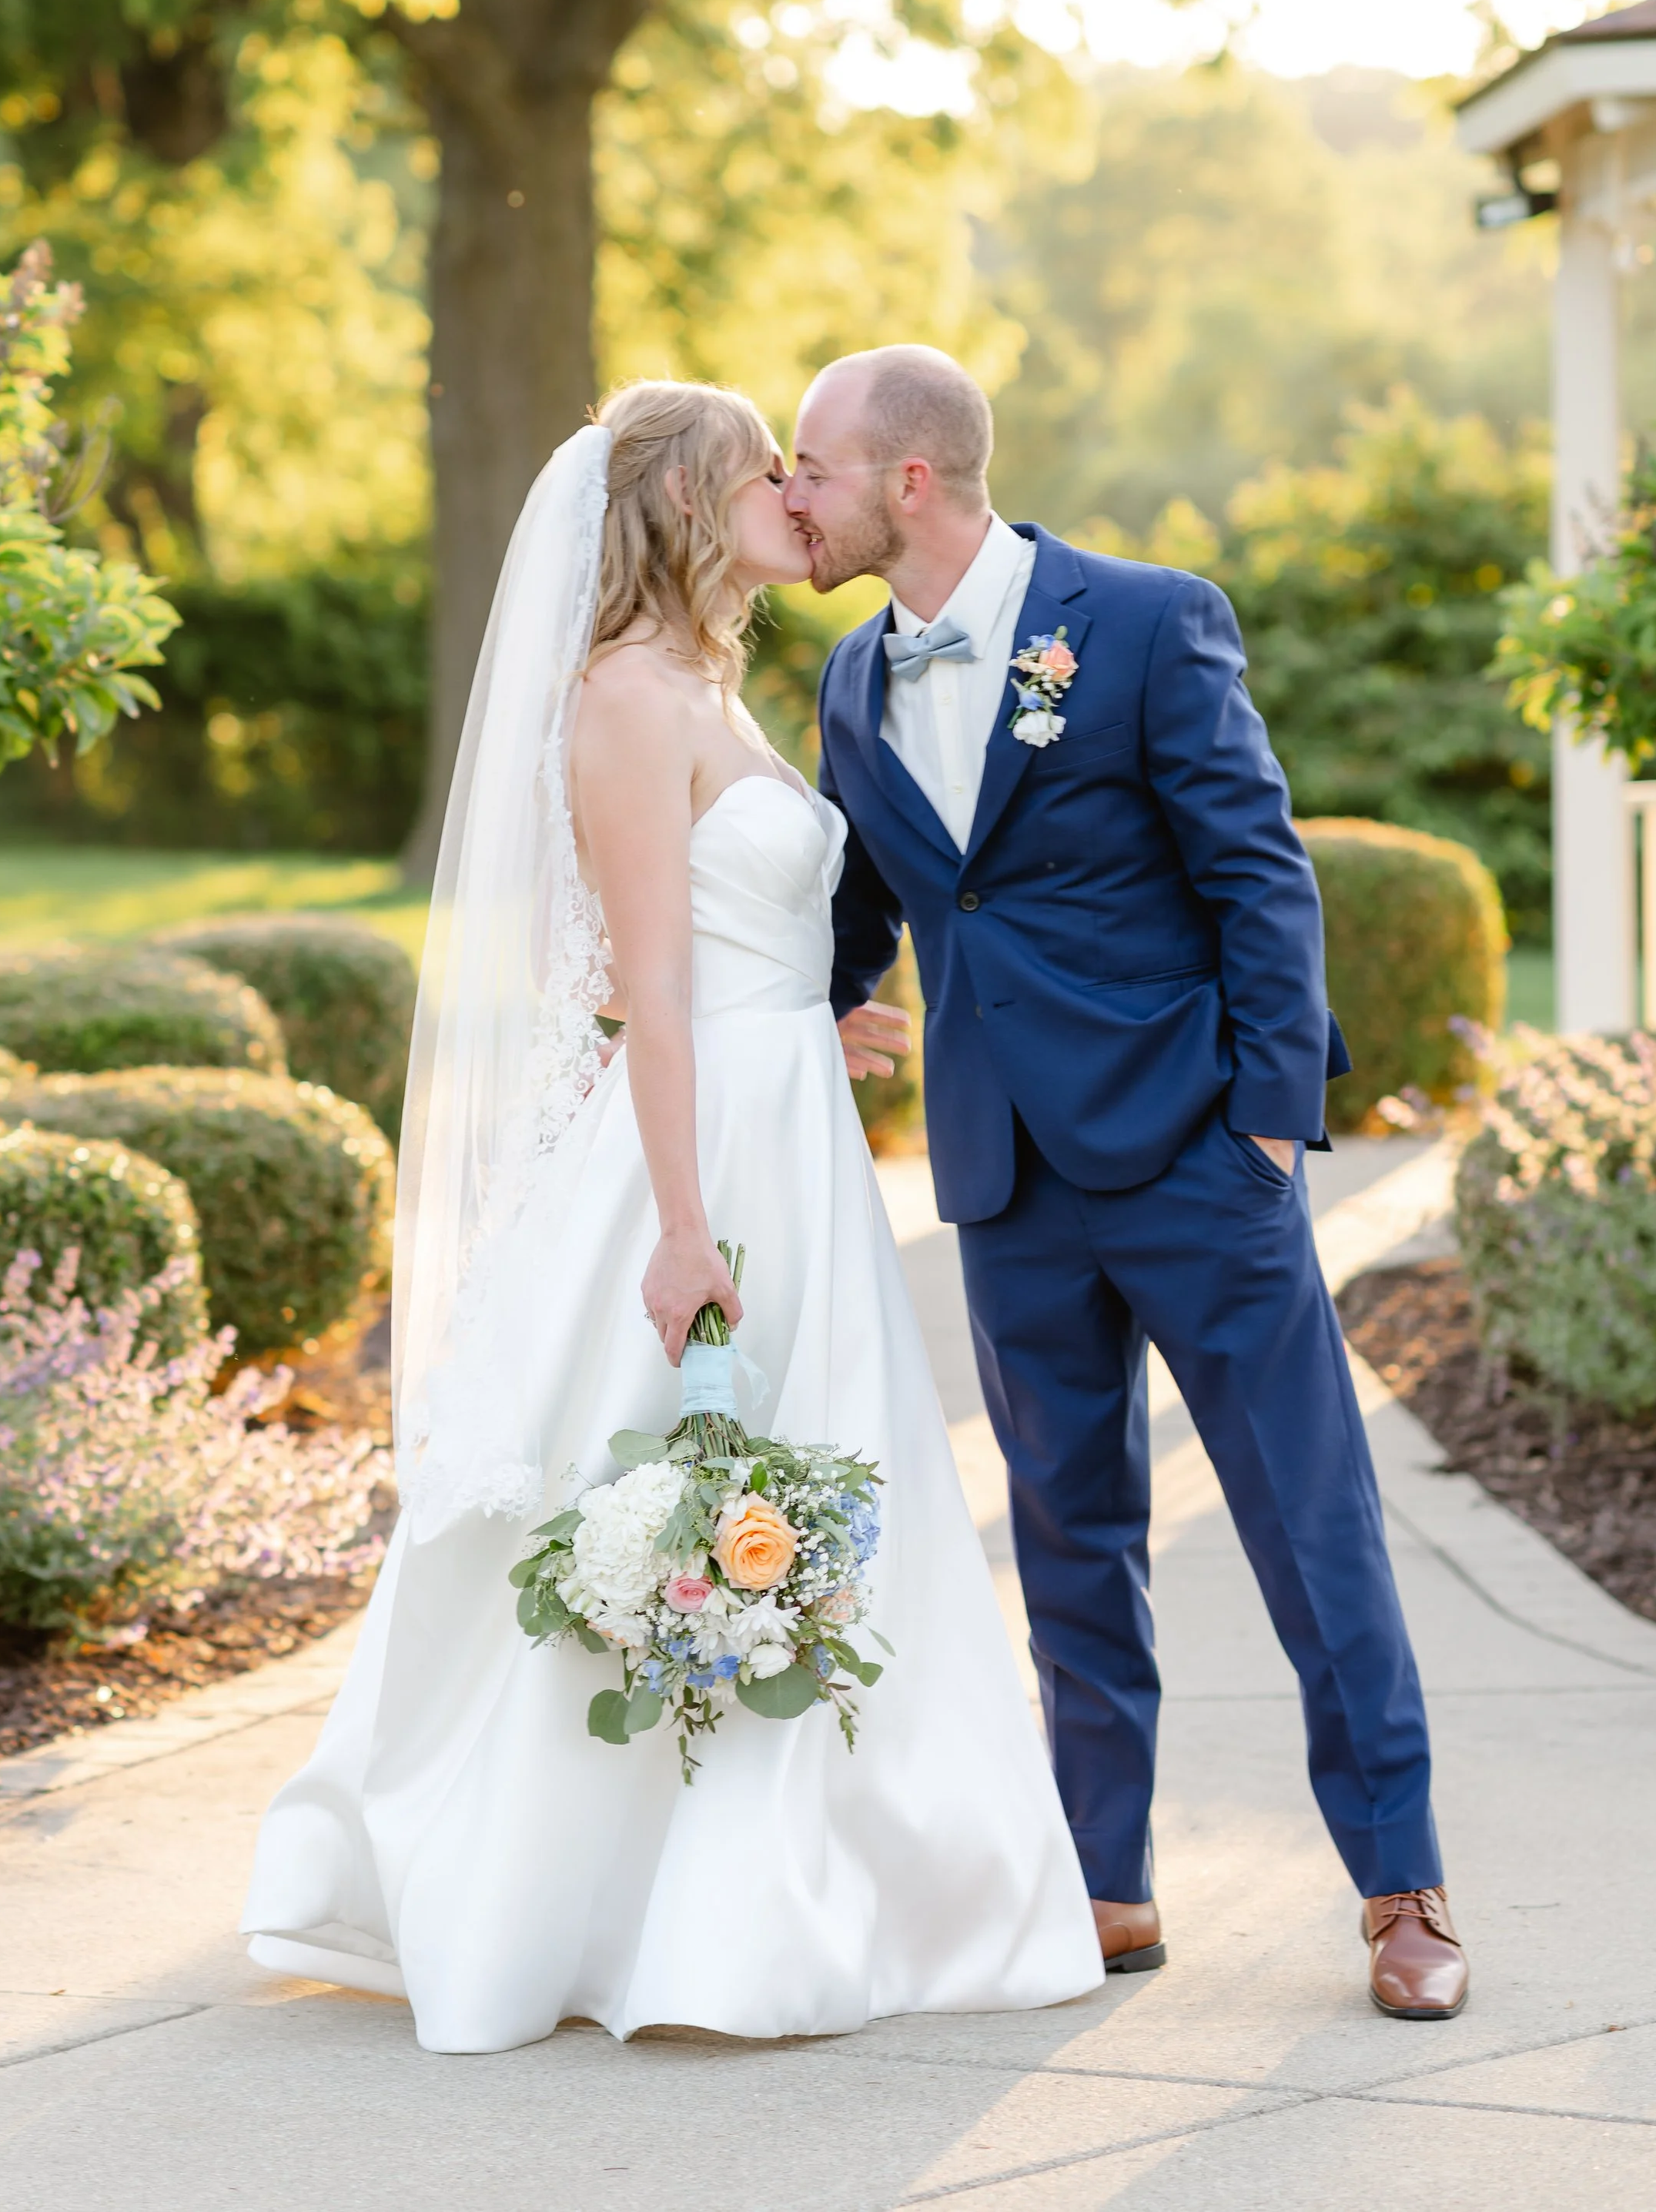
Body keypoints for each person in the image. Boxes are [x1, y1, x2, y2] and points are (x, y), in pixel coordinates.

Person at [242, 380, 1103, 2053]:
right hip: (701, 1160)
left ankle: (859, 1871)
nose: (793, 493)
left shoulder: (711, 681)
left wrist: (815, 1008)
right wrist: (684, 1230)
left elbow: (729, 936)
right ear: (682, 508)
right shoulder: (626, 698)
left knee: (804, 1488)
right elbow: (642, 987)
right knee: (670, 1486)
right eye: (756, 473)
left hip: (784, 1117)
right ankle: (623, 1903)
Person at [787, 345, 1469, 2024]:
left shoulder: (1148, 621)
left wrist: (1259, 1123)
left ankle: (1401, 1892)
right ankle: (1106, 1886)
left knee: (1311, 1527)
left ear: (911, 481)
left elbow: (1256, 868)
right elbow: (859, 901)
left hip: (1189, 1160)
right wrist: (775, 1015)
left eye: (812, 462)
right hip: (1006, 1183)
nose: (792, 493)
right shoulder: (850, 683)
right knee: (1068, 1540)